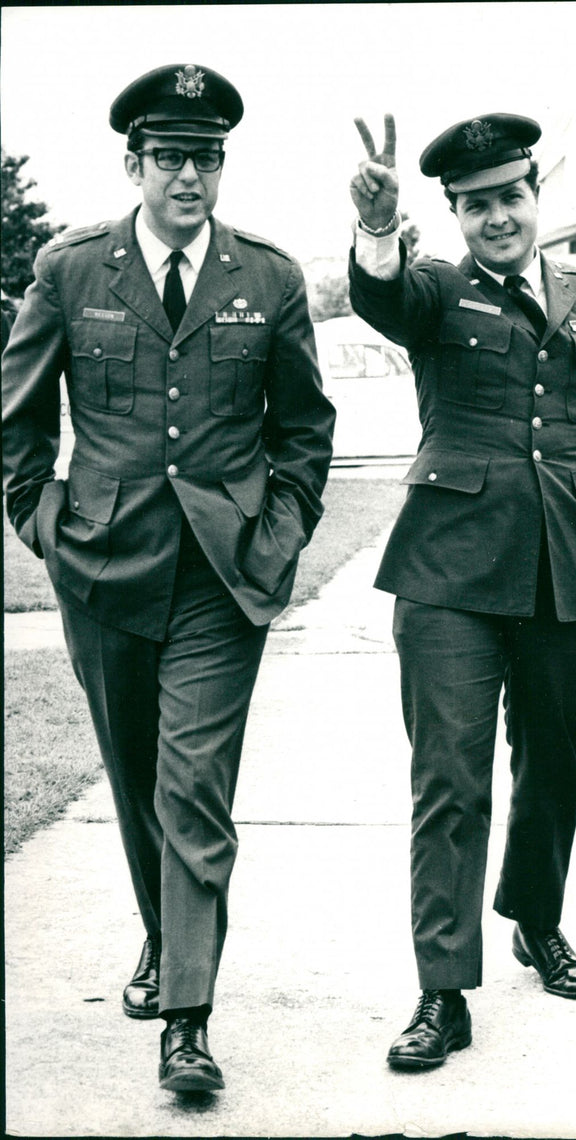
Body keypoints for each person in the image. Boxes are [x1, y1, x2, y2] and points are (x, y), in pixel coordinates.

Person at [2, 63, 335, 1093]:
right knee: (140, 779)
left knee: (193, 789)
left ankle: (185, 1023)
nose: (191, 177)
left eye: (208, 157)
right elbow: (19, 428)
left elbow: (305, 431)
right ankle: (163, 935)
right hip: (103, 570)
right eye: (172, 157)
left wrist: (275, 534)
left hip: (220, 581)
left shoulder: (268, 279)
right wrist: (48, 529)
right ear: (134, 163)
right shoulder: (70, 271)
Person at [348, 112, 576, 1070]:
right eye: (476, 205)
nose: (498, 217)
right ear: (455, 215)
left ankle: (535, 922)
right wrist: (378, 230)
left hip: (564, 571)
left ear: (537, 197)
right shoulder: (431, 291)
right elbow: (380, 298)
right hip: (447, 578)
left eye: (511, 196)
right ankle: (441, 991)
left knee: (553, 763)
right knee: (449, 784)